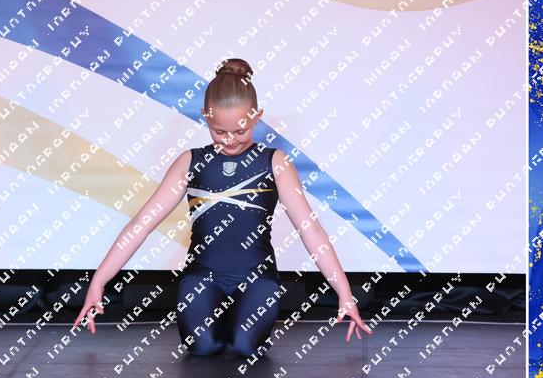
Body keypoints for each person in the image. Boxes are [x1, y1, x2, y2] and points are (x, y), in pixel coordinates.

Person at [72, 58, 372, 356]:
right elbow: (141, 224)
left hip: (257, 278)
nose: (229, 141)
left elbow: (311, 230)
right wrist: (99, 281)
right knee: (202, 347)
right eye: (219, 131)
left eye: (240, 131)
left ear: (257, 116)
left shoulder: (274, 163)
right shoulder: (190, 162)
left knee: (244, 347)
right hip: (202, 277)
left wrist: (344, 293)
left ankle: (243, 319)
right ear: (205, 116)